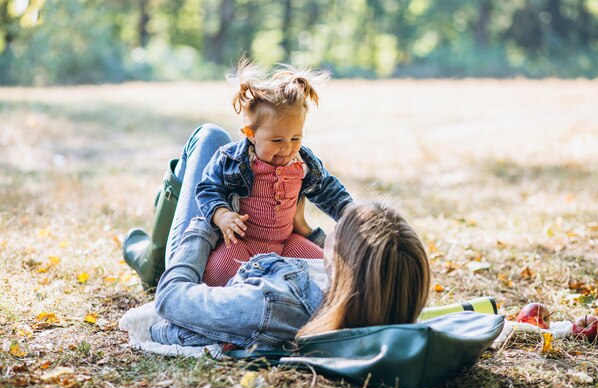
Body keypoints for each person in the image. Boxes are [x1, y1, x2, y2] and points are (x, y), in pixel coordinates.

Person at [149, 201, 431, 349]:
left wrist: (205, 223)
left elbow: (170, 298)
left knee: (209, 137)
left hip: (202, 254)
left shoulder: (269, 305)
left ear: (340, 259)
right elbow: (354, 265)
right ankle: (144, 253)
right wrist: (307, 231)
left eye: (339, 228)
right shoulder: (381, 295)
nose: (331, 230)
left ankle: (151, 258)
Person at [195, 59, 353, 287]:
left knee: (331, 274)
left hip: (286, 242)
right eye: (277, 140)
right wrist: (222, 215)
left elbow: (329, 190)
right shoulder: (232, 159)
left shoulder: (303, 162)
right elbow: (208, 188)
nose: (287, 147)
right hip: (244, 242)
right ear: (250, 133)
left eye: (295, 138)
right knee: (215, 276)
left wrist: (353, 214)